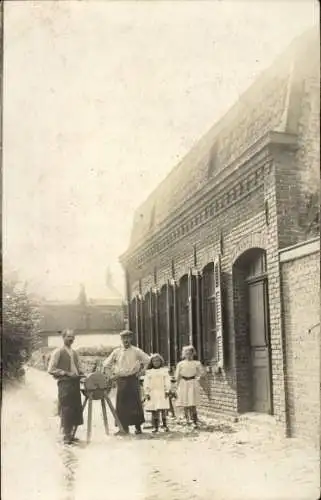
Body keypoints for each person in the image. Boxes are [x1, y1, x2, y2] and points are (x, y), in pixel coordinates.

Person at [103, 330, 150, 435]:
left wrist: (142, 371)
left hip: (133, 378)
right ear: (121, 339)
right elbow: (106, 364)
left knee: (135, 403)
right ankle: (123, 428)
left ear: (131, 339)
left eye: (128, 338)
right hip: (121, 379)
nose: (126, 340)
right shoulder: (117, 351)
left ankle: (138, 427)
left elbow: (147, 359)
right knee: (121, 403)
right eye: (124, 338)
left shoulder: (136, 351)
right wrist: (110, 375)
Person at [47, 329, 84, 444]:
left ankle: (71, 435)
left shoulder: (74, 353)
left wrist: (82, 374)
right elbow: (51, 369)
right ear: (63, 338)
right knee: (66, 409)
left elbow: (78, 368)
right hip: (65, 384)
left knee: (75, 408)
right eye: (68, 337)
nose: (71, 339)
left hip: (75, 383)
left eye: (72, 337)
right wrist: (66, 373)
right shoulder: (58, 352)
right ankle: (66, 436)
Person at [175, 345, 204, 429]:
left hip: (192, 383)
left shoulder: (196, 363)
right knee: (185, 402)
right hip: (183, 383)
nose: (188, 355)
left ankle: (194, 420)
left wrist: (198, 378)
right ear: (184, 354)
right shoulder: (180, 364)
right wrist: (176, 386)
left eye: (190, 353)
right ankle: (187, 420)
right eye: (186, 353)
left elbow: (202, 373)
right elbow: (177, 375)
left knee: (192, 402)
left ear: (193, 353)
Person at [144, 353, 171, 433]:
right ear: (151, 362)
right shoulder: (149, 372)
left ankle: (165, 425)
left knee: (162, 409)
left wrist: (167, 390)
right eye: (154, 361)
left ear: (161, 361)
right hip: (153, 392)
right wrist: (147, 392)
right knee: (154, 410)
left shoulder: (164, 371)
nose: (156, 362)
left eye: (158, 361)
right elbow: (146, 383)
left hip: (162, 391)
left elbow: (167, 381)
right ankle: (156, 426)